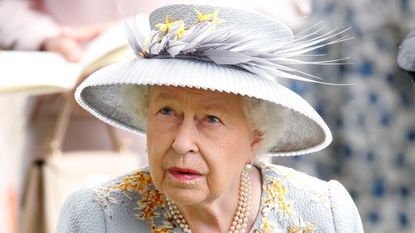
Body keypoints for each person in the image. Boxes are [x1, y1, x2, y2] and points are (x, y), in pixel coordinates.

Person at [56, 4, 363, 233]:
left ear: (255, 137)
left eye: (212, 119)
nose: (182, 142)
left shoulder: (324, 214)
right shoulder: (97, 218)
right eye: (167, 111)